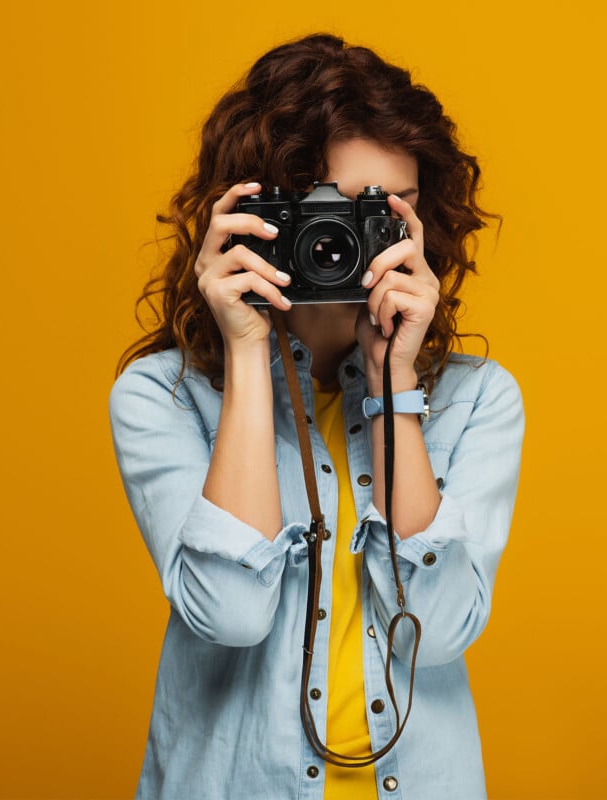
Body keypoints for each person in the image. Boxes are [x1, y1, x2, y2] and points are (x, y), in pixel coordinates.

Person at [109, 33, 524, 800]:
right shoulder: (162, 396)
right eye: (321, 209)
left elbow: (436, 633)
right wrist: (246, 349)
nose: (340, 241)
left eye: (381, 210)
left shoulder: (477, 401)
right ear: (254, 213)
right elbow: (229, 613)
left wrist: (393, 383)